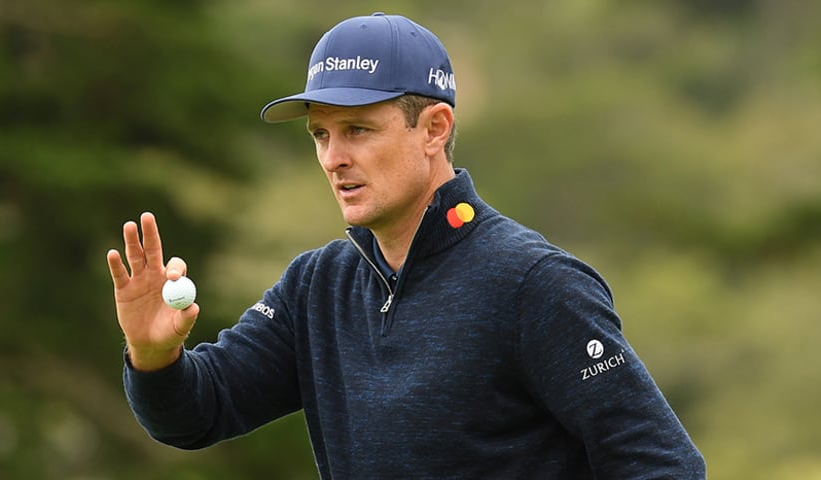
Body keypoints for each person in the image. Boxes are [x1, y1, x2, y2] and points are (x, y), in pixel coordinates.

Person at [107, 12, 706, 479]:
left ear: (434, 129)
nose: (333, 158)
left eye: (358, 130)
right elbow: (199, 412)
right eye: (320, 134)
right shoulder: (318, 286)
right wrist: (152, 354)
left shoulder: (533, 283)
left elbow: (660, 464)